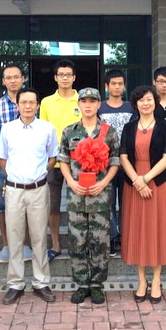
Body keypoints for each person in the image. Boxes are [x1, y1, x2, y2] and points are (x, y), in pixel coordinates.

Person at [0, 88, 58, 305]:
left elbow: (52, 157)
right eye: (23, 102)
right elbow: (2, 158)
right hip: (14, 190)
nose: (28, 106)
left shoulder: (47, 129)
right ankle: (16, 283)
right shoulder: (8, 129)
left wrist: (38, 174)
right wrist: (15, 176)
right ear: (17, 105)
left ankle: (41, 282)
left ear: (38, 105)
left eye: (32, 102)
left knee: (39, 236)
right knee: (14, 237)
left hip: (38, 189)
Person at [59, 87, 120, 305]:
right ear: (79, 104)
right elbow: (63, 160)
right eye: (84, 101)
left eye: (92, 101)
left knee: (100, 242)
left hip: (100, 196)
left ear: (98, 104)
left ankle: (96, 285)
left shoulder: (109, 132)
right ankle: (81, 284)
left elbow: (115, 161)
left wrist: (103, 183)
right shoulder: (69, 131)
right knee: (77, 241)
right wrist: (71, 182)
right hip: (76, 195)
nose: (87, 105)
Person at [120, 85, 166, 304]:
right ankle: (141, 280)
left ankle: (157, 280)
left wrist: (145, 179)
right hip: (133, 185)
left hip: (157, 183)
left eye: (149, 99)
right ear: (136, 104)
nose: (146, 103)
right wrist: (137, 180)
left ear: (155, 102)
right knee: (138, 231)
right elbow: (123, 156)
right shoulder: (129, 127)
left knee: (156, 230)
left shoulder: (165, 126)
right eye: (141, 100)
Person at [0, 65, 32, 263]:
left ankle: (25, 244)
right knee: (4, 204)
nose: (13, 81)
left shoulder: (31, 102)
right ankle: (7, 245)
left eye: (16, 77)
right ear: (3, 81)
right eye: (9, 78)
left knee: (28, 202)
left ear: (22, 79)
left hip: (29, 160)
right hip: (4, 161)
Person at [39, 59, 82, 261]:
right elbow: (43, 132)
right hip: (54, 162)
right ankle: (55, 244)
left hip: (79, 162)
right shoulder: (47, 102)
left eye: (68, 75)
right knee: (53, 206)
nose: (65, 78)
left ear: (74, 78)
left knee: (78, 205)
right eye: (61, 75)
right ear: (56, 78)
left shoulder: (83, 100)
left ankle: (77, 244)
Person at [98, 69, 135, 257]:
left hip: (128, 162)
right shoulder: (100, 108)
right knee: (109, 202)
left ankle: (126, 237)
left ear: (124, 86)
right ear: (107, 86)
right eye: (113, 84)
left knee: (127, 202)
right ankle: (112, 237)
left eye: (120, 83)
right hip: (106, 163)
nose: (117, 87)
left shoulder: (131, 108)